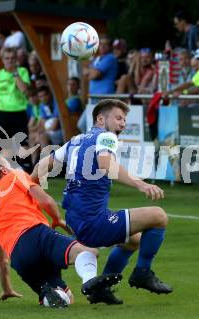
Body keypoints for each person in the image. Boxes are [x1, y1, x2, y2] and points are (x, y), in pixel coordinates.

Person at [31, 99, 173, 305]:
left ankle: (100, 290)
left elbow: (43, 165)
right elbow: (106, 164)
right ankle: (143, 272)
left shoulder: (76, 140)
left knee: (134, 240)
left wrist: (30, 188)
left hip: (74, 220)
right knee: (159, 216)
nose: (122, 123)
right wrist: (141, 184)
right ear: (100, 119)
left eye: (124, 119)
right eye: (118, 118)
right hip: (92, 222)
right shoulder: (106, 136)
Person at [0, 155, 122, 307]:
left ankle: (48, 294)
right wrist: (57, 219)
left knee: (66, 296)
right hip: (35, 234)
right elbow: (46, 201)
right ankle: (90, 282)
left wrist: (7, 289)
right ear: (3, 170)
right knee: (88, 252)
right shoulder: (15, 176)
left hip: (18, 257)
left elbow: (1, 261)